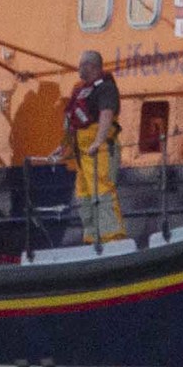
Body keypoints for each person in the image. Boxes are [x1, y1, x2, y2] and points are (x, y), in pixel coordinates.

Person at [63, 52, 126, 248]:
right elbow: (71, 121)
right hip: (82, 152)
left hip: (99, 150)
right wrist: (63, 146)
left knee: (103, 189)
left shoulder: (105, 89)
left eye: (84, 65)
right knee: (84, 193)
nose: (80, 68)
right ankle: (92, 235)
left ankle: (112, 236)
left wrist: (98, 141)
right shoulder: (81, 90)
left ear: (94, 67)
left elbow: (106, 114)